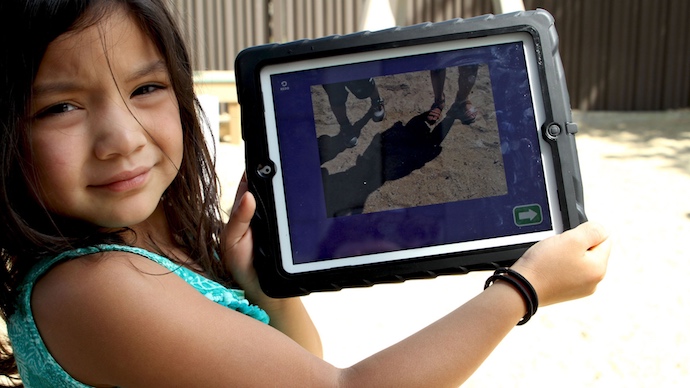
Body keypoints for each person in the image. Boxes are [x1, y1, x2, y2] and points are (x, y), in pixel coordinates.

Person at [0, 0, 611, 386]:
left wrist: (265, 289)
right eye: (59, 106)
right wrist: (521, 291)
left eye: (145, 89)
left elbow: (305, 364)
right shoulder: (90, 288)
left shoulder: (168, 244)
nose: (122, 138)